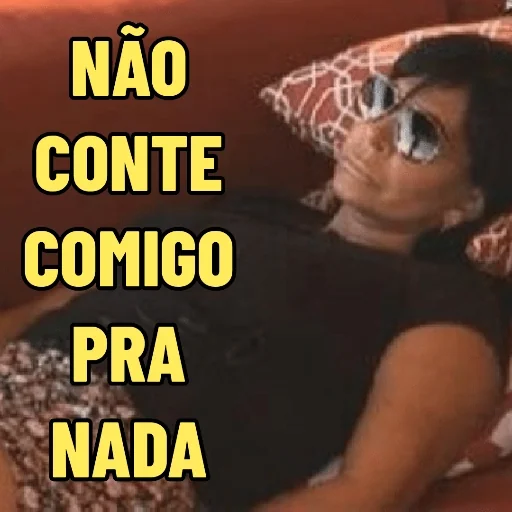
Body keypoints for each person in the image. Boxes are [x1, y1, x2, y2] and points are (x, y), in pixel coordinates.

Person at [2, 33, 512, 511]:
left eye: (418, 135)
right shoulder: (257, 211)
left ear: (468, 202)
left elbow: (366, 493)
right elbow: (60, 301)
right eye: (381, 99)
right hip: (22, 375)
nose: (374, 133)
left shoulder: (443, 307)